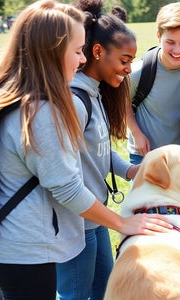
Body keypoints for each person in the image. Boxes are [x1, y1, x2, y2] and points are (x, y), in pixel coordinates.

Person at [0, 1, 171, 299]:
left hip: (10, 248)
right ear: (52, 51)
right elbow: (65, 187)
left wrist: (131, 171)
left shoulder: (24, 96)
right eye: (77, 51)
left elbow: (90, 155)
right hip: (26, 251)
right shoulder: (42, 112)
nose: (81, 60)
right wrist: (123, 222)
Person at [55, 1, 138, 299]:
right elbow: (60, 176)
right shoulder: (76, 101)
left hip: (96, 219)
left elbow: (97, 151)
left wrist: (131, 170)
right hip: (76, 223)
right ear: (98, 52)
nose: (129, 70)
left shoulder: (95, 93)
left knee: (105, 290)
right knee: (74, 294)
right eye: (124, 60)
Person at [125, 1, 180, 248]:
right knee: (146, 219)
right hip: (146, 157)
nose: (177, 49)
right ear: (158, 36)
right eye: (170, 42)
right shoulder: (140, 71)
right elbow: (121, 103)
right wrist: (136, 132)